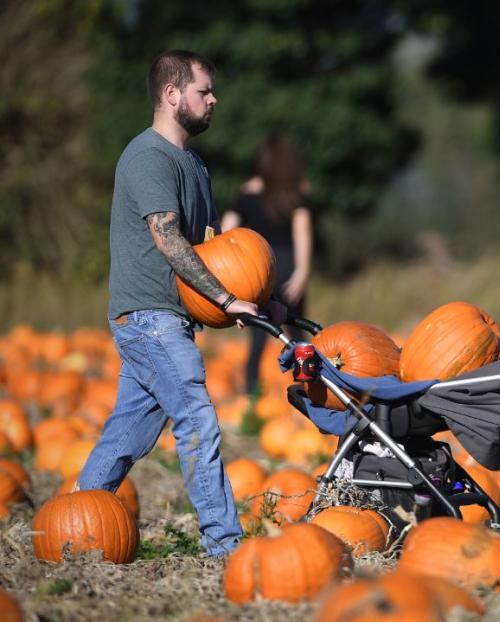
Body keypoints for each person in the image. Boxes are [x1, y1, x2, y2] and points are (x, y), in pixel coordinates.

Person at [78, 50, 284, 557]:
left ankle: (77, 521)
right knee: (197, 419)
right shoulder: (148, 157)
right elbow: (168, 239)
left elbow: (213, 250)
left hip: (169, 318)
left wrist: (261, 301)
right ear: (172, 95)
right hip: (147, 317)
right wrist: (224, 297)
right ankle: (225, 546)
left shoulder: (192, 163)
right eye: (203, 91)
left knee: (130, 431)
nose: (213, 100)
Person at [220, 132, 313, 395]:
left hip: (260, 267)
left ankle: (251, 392)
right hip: (288, 266)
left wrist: (232, 269)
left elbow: (226, 231)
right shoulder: (297, 191)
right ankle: (309, 389)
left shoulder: (248, 193)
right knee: (297, 335)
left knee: (258, 336)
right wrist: (302, 272)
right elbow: (302, 233)